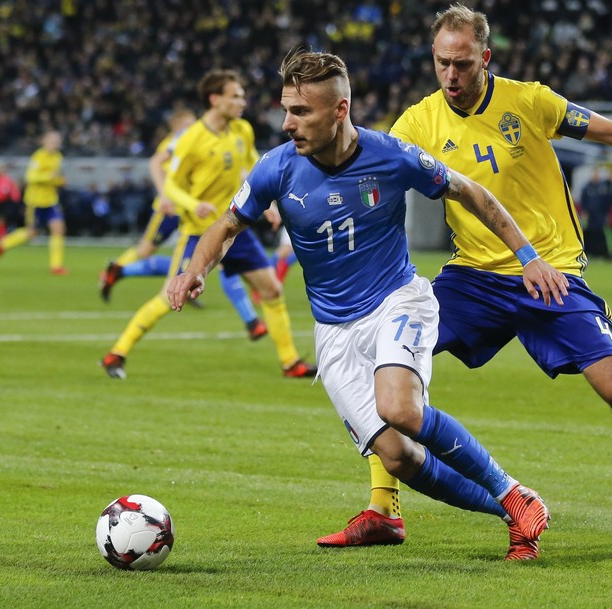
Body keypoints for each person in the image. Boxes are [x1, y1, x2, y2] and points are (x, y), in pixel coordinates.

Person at [320, 4, 612, 553]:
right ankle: (383, 510)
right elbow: (371, 177)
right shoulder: (418, 121)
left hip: (551, 273)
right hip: (474, 279)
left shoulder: (530, 101)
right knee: (380, 366)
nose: (451, 76)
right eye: (442, 63)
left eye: (463, 64)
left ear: (485, 58)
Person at [167, 49, 570, 560]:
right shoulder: (276, 168)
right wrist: (194, 270)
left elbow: (471, 192)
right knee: (398, 457)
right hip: (333, 329)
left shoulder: (392, 155)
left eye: (301, 112)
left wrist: (528, 255)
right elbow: (227, 226)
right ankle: (516, 508)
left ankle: (510, 489)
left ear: (339, 111)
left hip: (396, 301)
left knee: (399, 407)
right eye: (286, 109)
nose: (288, 124)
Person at [101, 69, 314, 379]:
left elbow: (252, 166)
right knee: (169, 296)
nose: (243, 101)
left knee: (271, 289)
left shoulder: (241, 130)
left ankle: (290, 362)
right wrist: (191, 204)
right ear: (215, 99)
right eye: (235, 96)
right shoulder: (190, 140)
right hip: (199, 234)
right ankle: (116, 354)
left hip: (234, 227)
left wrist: (267, 203)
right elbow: (172, 185)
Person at [98, 106, 266, 339]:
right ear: (176, 125)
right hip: (172, 208)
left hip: (194, 208)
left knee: (214, 259)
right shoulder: (178, 140)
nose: (193, 125)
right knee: (149, 252)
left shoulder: (205, 137)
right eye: (187, 122)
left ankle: (250, 320)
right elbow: (156, 163)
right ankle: (117, 270)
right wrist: (164, 194)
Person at [0, 130, 68, 274]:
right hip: (35, 201)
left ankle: (56, 266)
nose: (55, 144)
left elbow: (56, 177)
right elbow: (30, 177)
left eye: (57, 142)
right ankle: (4, 243)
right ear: (44, 141)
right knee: (31, 233)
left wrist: (60, 181)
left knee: (58, 229)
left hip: (51, 200)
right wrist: (49, 177)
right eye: (52, 141)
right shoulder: (38, 156)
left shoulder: (58, 158)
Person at [578, 166, 612, 259]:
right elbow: (583, 201)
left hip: (601, 215)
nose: (596, 176)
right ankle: (590, 253)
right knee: (591, 234)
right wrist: (584, 212)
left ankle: (605, 253)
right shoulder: (587, 188)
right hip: (590, 215)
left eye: (597, 174)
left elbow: (609, 201)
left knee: (602, 234)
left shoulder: (603, 187)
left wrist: (608, 213)